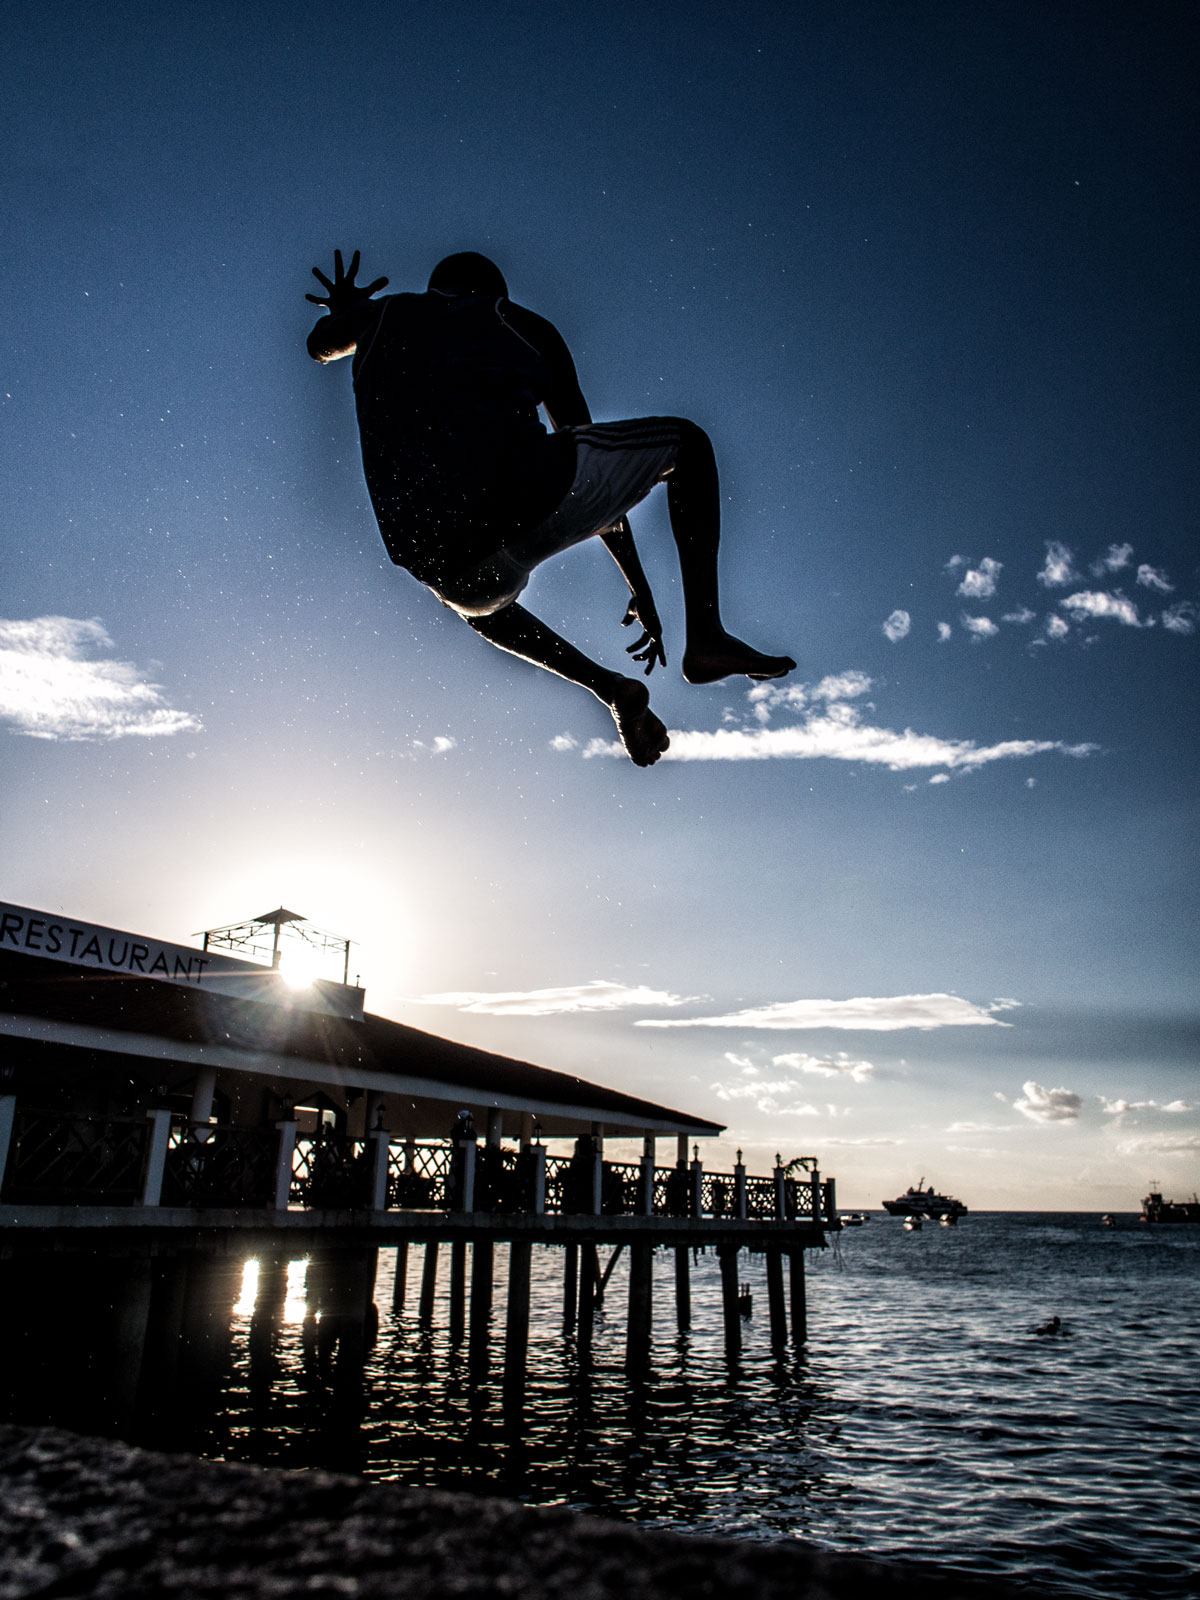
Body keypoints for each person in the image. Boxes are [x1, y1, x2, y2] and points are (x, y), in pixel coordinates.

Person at [306, 249, 796, 766]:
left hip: (435, 559)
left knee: (479, 605)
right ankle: (707, 633)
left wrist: (343, 310)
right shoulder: (514, 320)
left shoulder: (380, 315)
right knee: (689, 444)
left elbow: (319, 345)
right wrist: (639, 586)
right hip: (515, 492)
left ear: (436, 288)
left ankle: (612, 690)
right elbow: (586, 455)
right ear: (493, 293)